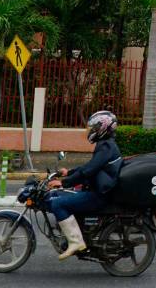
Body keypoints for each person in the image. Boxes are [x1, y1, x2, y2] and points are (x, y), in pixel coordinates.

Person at [45, 109, 122, 260]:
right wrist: (70, 172)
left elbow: (89, 171)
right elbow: (90, 167)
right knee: (58, 196)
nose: (91, 131)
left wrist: (63, 182)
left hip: (98, 195)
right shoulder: (106, 145)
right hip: (97, 191)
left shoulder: (106, 146)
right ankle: (76, 233)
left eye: (94, 128)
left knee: (58, 204)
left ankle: (75, 242)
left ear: (103, 128)